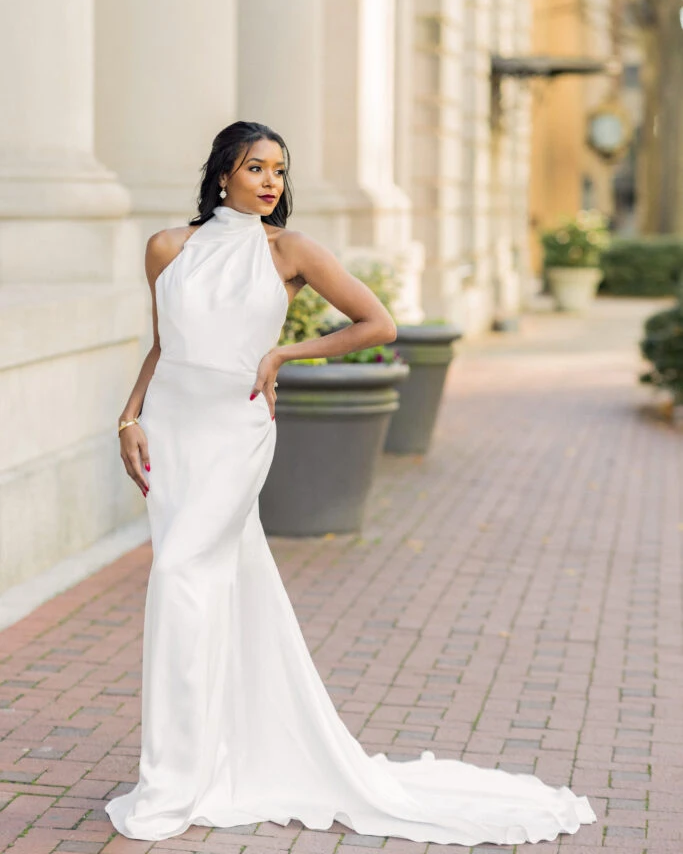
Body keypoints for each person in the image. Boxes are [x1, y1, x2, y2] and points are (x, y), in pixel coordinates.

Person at [105, 121, 597, 845]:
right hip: (172, 431)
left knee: (181, 576)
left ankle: (173, 782)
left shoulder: (290, 251)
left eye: (279, 169)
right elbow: (162, 344)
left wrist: (283, 355)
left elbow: (377, 323)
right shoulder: (166, 249)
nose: (271, 182)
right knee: (213, 585)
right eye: (255, 168)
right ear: (221, 177)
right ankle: (206, 757)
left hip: (237, 430)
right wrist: (128, 418)